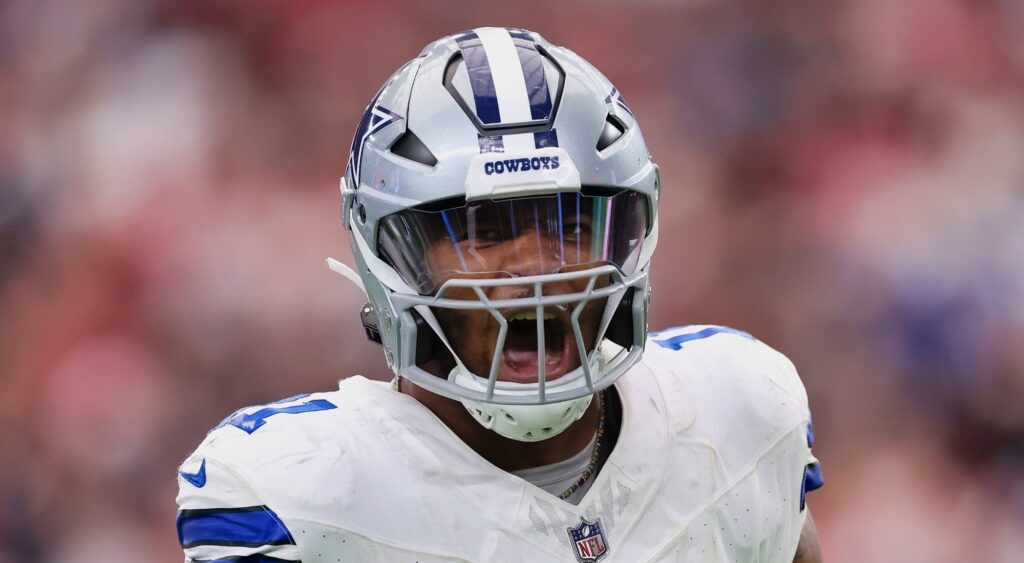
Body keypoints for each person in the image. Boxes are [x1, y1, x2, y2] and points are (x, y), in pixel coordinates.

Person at [176, 27, 823, 562]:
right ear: (390, 252)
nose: (532, 270)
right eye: (483, 233)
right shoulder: (301, 494)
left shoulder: (737, 408)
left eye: (569, 227)